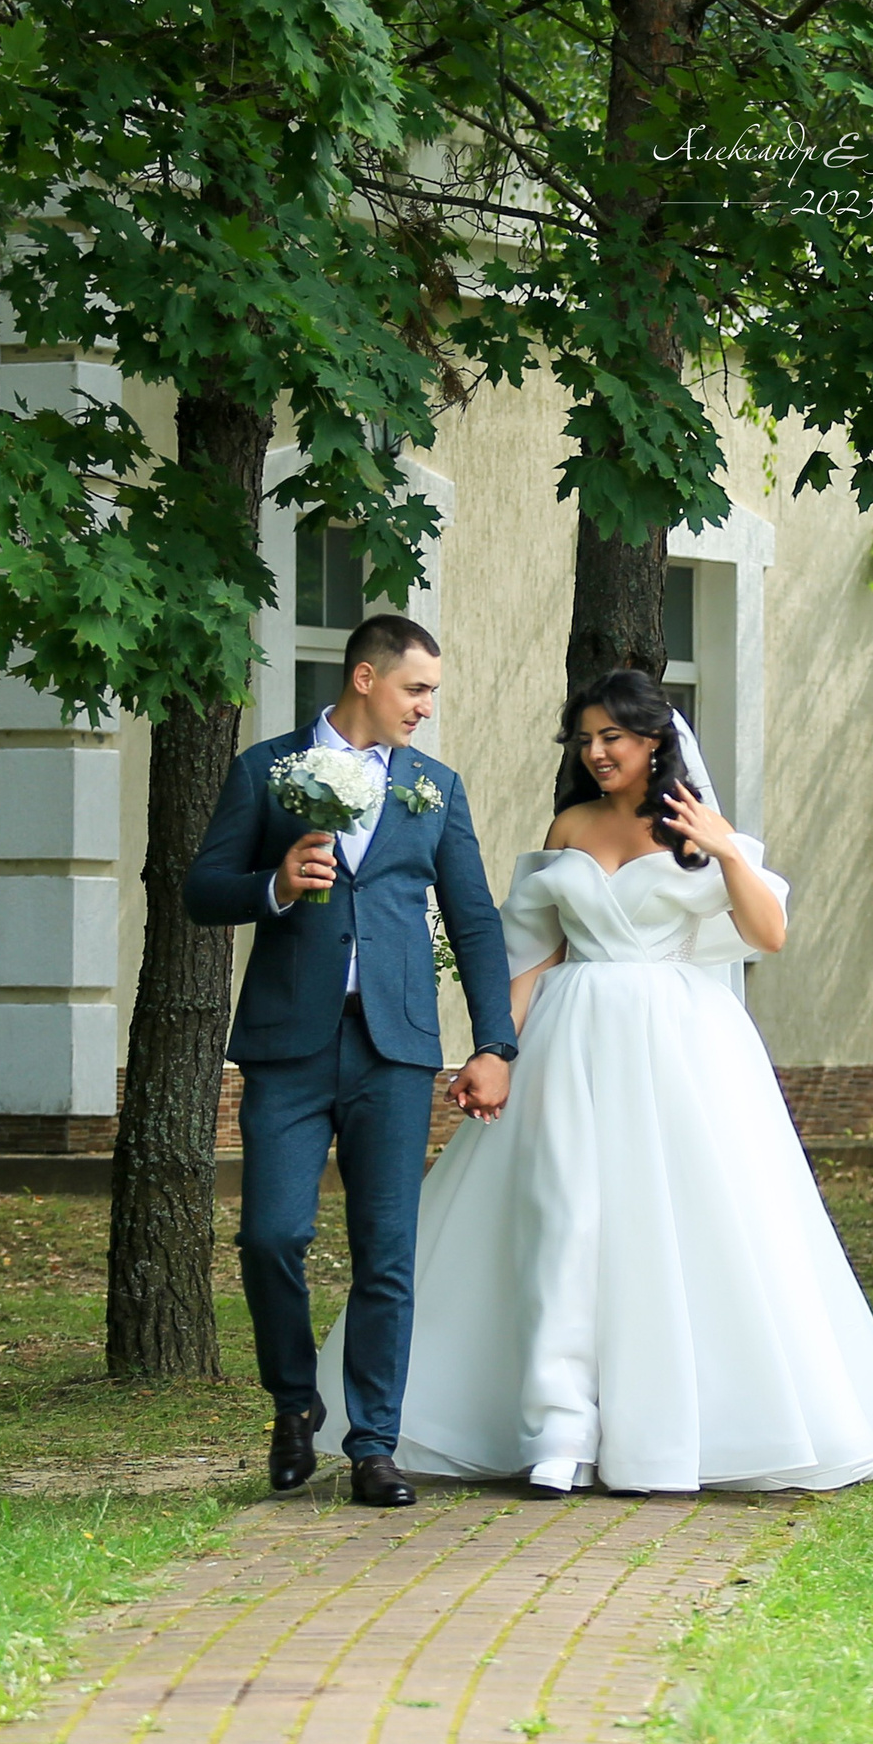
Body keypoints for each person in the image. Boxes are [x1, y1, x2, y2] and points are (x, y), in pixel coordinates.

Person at [312, 668, 873, 1493]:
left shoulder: (700, 829)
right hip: (569, 1039)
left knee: (673, 1228)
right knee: (561, 1223)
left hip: (679, 1046)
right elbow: (536, 955)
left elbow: (769, 933)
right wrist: (492, 1050)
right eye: (584, 740)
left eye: (611, 737)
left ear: (654, 741)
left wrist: (725, 850)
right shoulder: (570, 824)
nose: (596, 751)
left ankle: (661, 1435)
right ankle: (557, 1432)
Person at [184, 615, 519, 1508]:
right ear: (365, 677)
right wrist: (274, 885)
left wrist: (495, 1042)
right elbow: (199, 888)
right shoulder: (268, 770)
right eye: (416, 690)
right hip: (288, 1044)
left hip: (396, 1048)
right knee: (271, 1236)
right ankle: (295, 1403)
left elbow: (475, 920)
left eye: (433, 694)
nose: (426, 708)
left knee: (387, 1254)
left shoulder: (434, 788)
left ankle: (373, 1443)